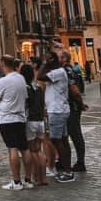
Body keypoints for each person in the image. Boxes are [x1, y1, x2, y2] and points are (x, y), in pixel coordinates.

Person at [0, 55, 33, 190]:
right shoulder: (21, 78)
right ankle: (28, 179)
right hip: (20, 118)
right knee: (24, 148)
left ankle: (16, 182)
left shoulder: (2, 81)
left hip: (8, 119)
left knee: (12, 148)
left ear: (3, 64)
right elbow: (25, 97)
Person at [38, 50, 74, 183]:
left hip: (57, 110)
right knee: (63, 140)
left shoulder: (58, 72)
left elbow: (40, 76)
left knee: (56, 140)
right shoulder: (58, 72)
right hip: (60, 109)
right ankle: (67, 169)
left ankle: (67, 171)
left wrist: (46, 63)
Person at [60, 50, 88, 172]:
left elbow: (75, 90)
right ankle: (65, 161)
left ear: (64, 59)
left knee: (75, 135)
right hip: (67, 106)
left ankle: (80, 162)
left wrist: (80, 103)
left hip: (72, 107)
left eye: (59, 57)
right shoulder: (65, 70)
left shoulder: (67, 70)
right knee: (66, 136)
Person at [20, 64, 47, 186]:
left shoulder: (25, 88)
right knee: (39, 150)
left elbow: (25, 106)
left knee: (32, 151)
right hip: (40, 120)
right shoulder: (38, 87)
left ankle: (36, 176)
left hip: (31, 121)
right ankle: (43, 178)